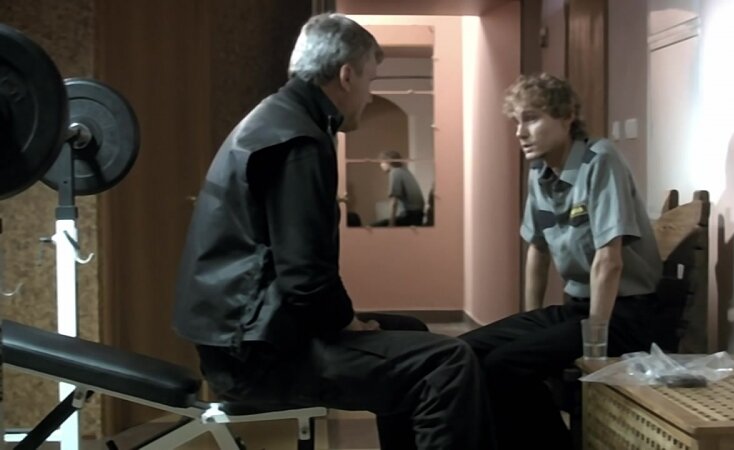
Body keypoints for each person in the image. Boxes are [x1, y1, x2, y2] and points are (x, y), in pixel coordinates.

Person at [172, 13, 495, 450]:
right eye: (370, 80)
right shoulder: (299, 140)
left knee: (413, 331)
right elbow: (305, 277)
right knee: (448, 363)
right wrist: (347, 322)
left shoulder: (277, 118)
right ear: (346, 75)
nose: (370, 95)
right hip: (255, 358)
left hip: (244, 341)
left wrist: (347, 321)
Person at [460, 73, 678, 450]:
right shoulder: (540, 172)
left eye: (531, 119)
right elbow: (537, 249)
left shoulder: (600, 160)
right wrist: (531, 319)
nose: (520, 132)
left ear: (566, 117)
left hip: (625, 315)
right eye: (516, 121)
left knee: (504, 365)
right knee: (465, 351)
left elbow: (609, 260)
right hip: (577, 308)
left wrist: (596, 340)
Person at [371, 150, 425, 226]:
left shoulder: (395, 172)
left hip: (411, 216)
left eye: (382, 162)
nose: (381, 165)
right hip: (417, 215)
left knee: (373, 227)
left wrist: (391, 224)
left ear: (389, 162)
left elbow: (394, 202)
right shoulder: (404, 171)